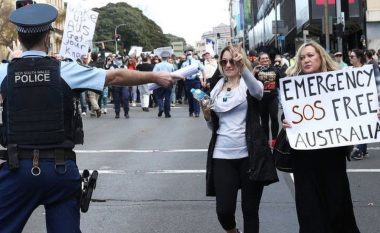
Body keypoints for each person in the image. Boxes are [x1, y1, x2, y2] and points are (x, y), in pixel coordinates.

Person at [0, 4, 182, 233]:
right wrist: (155, 75)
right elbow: (116, 75)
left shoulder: (5, 72)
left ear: (18, 36)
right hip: (60, 171)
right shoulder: (65, 70)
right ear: (48, 38)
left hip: (18, 171)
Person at [283, 41, 361, 233]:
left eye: (310, 55)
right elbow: (290, 118)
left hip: (331, 157)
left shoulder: (339, 83)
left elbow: (354, 113)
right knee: (310, 212)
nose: (306, 60)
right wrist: (287, 123)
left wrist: (368, 116)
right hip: (304, 159)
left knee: (337, 208)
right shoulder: (293, 87)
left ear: (321, 56)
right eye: (302, 57)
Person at [200, 44, 278, 233]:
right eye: (224, 61)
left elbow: (258, 92)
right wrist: (208, 116)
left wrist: (243, 67)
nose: (228, 65)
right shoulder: (217, 88)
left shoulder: (249, 83)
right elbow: (213, 126)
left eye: (232, 61)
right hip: (222, 156)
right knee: (224, 211)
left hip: (249, 156)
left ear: (240, 61)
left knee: (250, 211)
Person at [253, 52, 281, 147]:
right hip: (261, 99)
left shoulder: (275, 69)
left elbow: (280, 82)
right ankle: (265, 139)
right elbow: (251, 83)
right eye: (263, 59)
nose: (265, 60)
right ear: (259, 60)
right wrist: (253, 72)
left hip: (272, 98)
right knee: (264, 120)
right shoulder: (256, 70)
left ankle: (274, 139)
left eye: (266, 58)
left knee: (274, 117)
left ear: (269, 59)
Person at [349, 49, 369, 160]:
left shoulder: (368, 70)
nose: (350, 58)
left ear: (359, 58)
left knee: (363, 125)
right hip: (353, 103)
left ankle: (359, 150)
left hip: (366, 102)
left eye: (352, 56)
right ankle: (363, 150)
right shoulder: (348, 70)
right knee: (359, 125)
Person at [182, 49, 206, 117]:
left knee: (196, 96)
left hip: (196, 80)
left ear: (192, 54)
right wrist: (183, 78)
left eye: (190, 54)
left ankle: (197, 112)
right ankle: (191, 110)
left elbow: (203, 70)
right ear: (186, 55)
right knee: (189, 97)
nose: (189, 55)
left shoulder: (197, 62)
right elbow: (182, 72)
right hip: (188, 81)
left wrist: (204, 80)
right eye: (187, 54)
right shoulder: (184, 63)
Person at [152, 50, 174, 118]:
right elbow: (173, 74)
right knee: (167, 98)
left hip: (159, 82)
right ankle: (167, 113)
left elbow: (154, 73)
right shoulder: (171, 65)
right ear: (168, 57)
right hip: (168, 82)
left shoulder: (157, 65)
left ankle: (161, 107)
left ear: (161, 57)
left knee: (159, 97)